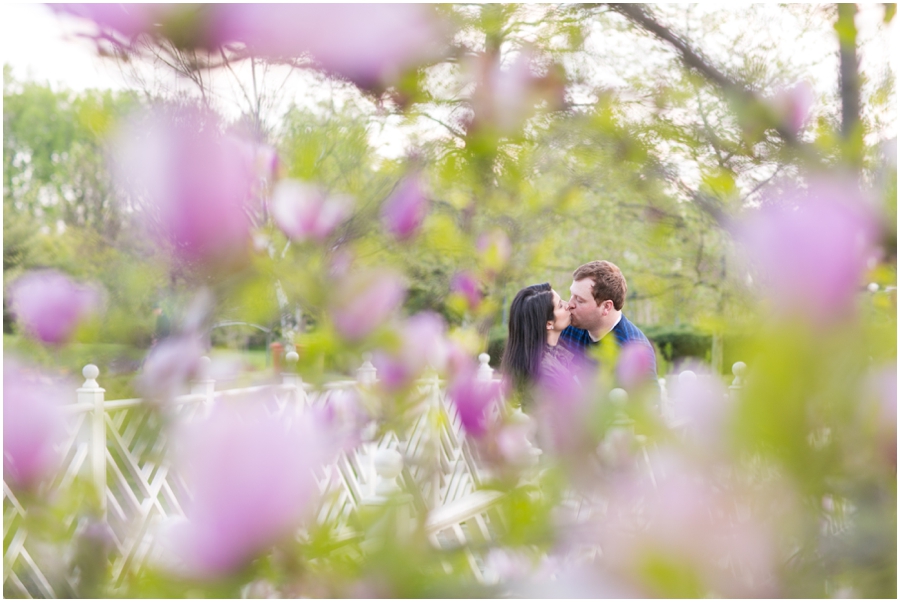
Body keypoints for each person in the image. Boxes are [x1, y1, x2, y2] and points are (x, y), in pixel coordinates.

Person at [560, 260, 657, 383]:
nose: (570, 304)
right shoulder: (568, 326)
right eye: (571, 295)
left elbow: (650, 402)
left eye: (579, 300)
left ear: (606, 307)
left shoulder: (633, 352)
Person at [500, 282, 575, 398]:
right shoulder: (545, 372)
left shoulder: (553, 354)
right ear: (548, 324)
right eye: (560, 305)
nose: (568, 305)